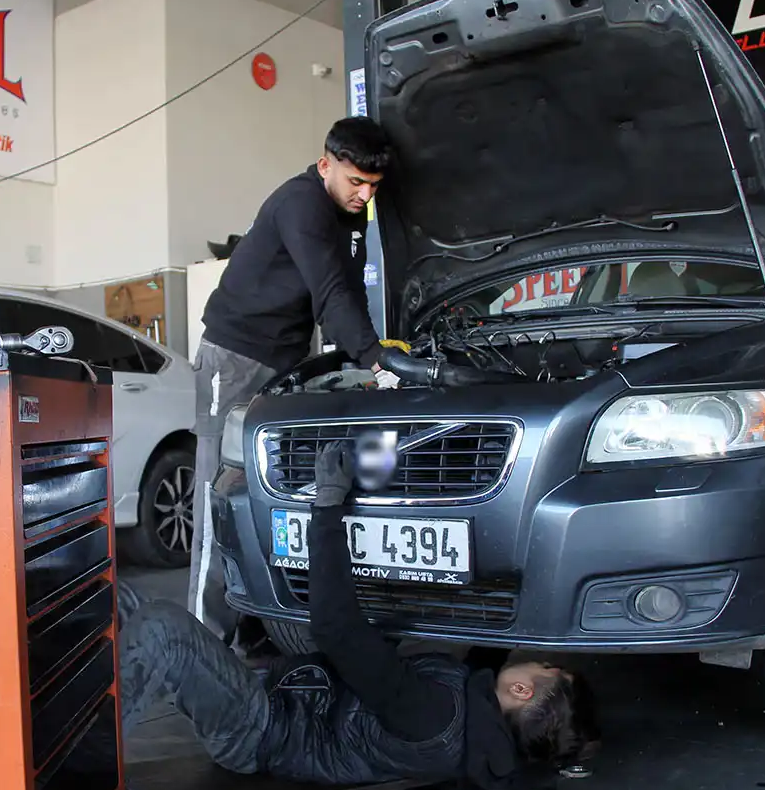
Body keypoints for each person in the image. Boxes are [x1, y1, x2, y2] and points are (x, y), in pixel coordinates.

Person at [118, 442, 601, 788]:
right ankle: (52, 705)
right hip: (277, 702)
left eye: (546, 665)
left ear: (524, 689)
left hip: (260, 727)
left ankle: (72, 754)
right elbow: (493, 643)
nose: (538, 658)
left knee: (163, 629)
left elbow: (336, 630)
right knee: (120, 602)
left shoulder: (435, 716)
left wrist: (328, 505)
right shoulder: (478, 719)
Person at [189, 116, 402, 646]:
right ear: (326, 164)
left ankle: (256, 626)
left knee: (268, 495)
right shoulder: (301, 202)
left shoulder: (350, 213)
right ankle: (203, 644)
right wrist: (375, 358)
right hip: (234, 357)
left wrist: (364, 354)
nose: (364, 195)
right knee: (218, 498)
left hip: (285, 364)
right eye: (355, 182)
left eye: (373, 187)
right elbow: (329, 290)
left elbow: (346, 294)